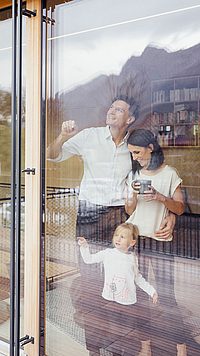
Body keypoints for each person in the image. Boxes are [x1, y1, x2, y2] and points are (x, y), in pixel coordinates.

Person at [125, 129, 199, 356]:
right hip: (136, 240)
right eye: (131, 153)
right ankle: (145, 345)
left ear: (151, 147)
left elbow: (179, 208)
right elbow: (129, 210)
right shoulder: (134, 174)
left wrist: (159, 196)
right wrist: (134, 196)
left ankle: (181, 348)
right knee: (138, 294)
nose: (135, 157)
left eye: (137, 152)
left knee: (167, 296)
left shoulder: (170, 174)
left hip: (161, 239)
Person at [78, 222, 158, 356]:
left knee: (128, 333)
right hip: (111, 301)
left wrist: (152, 291)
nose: (118, 239)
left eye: (122, 237)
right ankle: (115, 352)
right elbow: (89, 259)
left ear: (132, 242)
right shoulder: (107, 253)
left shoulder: (132, 259)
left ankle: (126, 352)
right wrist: (85, 247)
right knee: (115, 331)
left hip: (128, 304)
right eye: (116, 235)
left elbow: (138, 278)